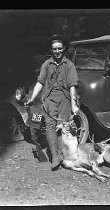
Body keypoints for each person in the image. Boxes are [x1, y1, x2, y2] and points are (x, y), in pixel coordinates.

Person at [25, 34, 79, 171]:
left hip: (65, 99)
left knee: (64, 127)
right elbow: (40, 82)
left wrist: (73, 104)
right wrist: (32, 98)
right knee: (50, 126)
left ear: (64, 48)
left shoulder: (70, 65)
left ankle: (64, 154)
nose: (57, 51)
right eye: (54, 49)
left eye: (59, 48)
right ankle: (55, 157)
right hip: (49, 100)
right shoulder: (46, 64)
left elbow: (72, 86)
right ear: (51, 50)